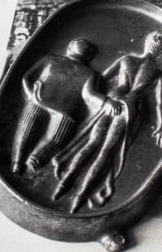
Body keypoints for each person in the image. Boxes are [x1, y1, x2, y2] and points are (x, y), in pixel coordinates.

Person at [52, 31, 162, 213]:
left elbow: (102, 78)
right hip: (130, 108)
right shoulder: (157, 73)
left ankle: (62, 185)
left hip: (113, 101)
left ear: (146, 44)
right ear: (161, 52)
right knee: (106, 152)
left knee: (92, 144)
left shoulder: (127, 59)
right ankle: (80, 198)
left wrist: (100, 98)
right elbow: (159, 103)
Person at [11, 38, 100, 175]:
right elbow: (89, 95)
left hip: (40, 100)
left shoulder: (50, 59)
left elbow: (26, 78)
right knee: (55, 139)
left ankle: (18, 162)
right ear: (89, 56)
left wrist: (31, 96)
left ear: (69, 49)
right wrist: (106, 102)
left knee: (25, 130)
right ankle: (33, 162)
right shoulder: (90, 74)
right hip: (65, 112)